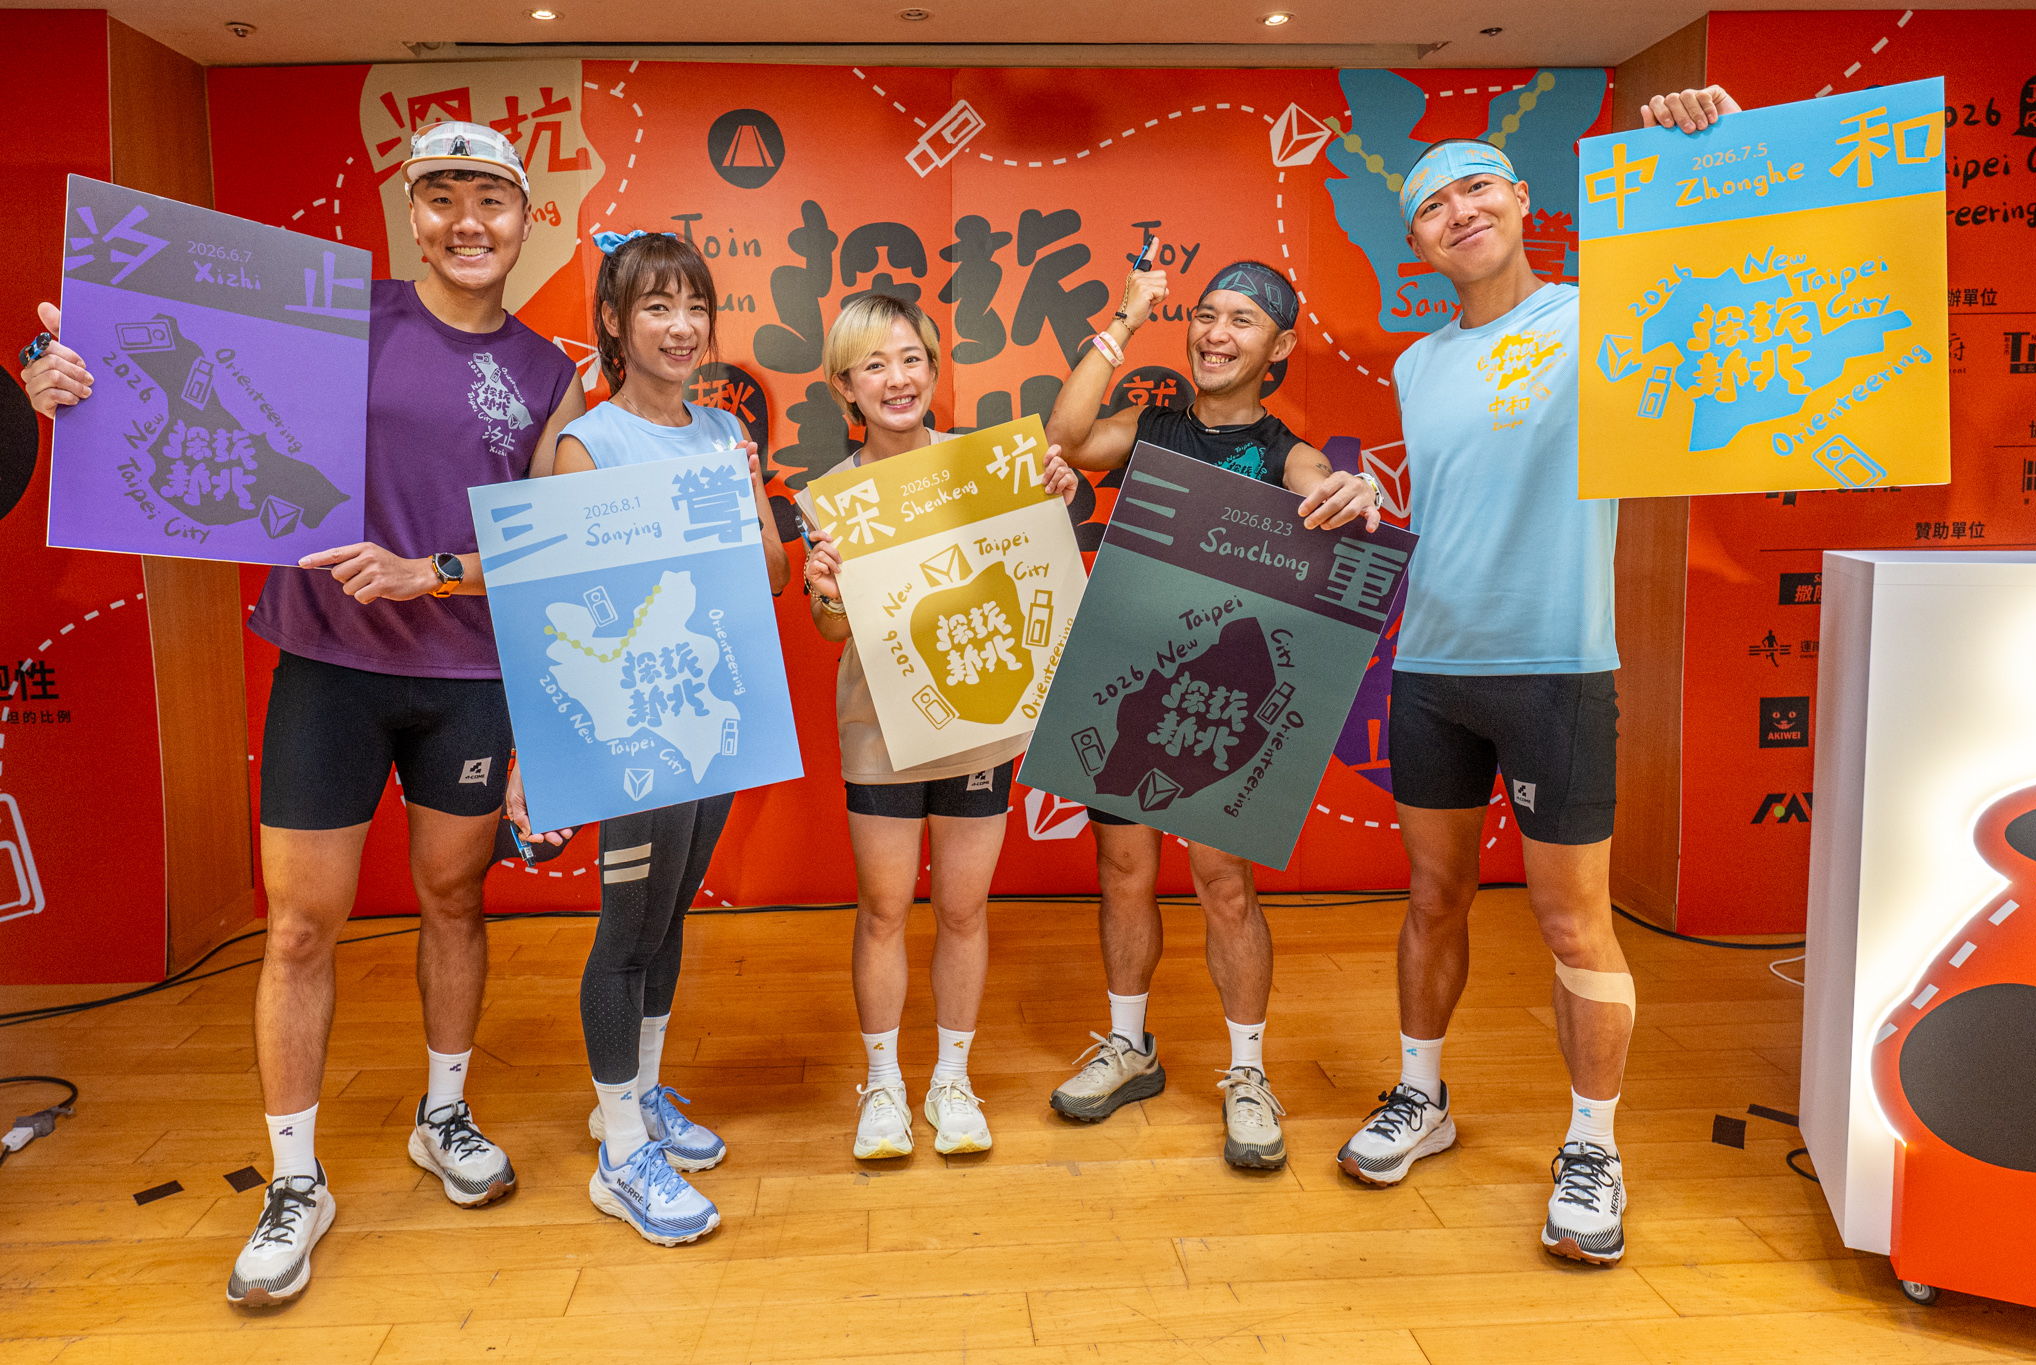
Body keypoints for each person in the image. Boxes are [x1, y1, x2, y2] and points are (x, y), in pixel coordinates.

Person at [21, 121, 583, 1305]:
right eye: (442, 197)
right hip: (327, 665)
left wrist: (439, 585)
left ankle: (443, 1115)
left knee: (453, 899)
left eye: (490, 198)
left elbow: (546, 548)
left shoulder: (547, 373)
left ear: (528, 218)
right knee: (296, 930)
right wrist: (72, 373)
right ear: (410, 214)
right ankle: (293, 1181)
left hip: (469, 679)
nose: (467, 222)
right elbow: (173, 374)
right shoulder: (330, 317)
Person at [1335, 86, 1743, 1266]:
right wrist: (1364, 501)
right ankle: (1422, 1097)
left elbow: (1721, 285)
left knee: (1571, 923)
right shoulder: (1416, 365)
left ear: (1520, 201)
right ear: (1415, 246)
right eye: (1430, 206)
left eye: (1475, 188)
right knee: (1432, 897)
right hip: (1430, 667)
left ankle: (1592, 1146)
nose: (1455, 211)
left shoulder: (1599, 317)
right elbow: (1450, 500)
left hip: (1555, 666)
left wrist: (1705, 153)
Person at [1040, 259, 1383, 1169]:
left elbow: (1329, 483)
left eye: (1242, 320)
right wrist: (1126, 317)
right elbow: (1066, 437)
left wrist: (1357, 490)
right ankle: (1129, 1047)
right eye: (1205, 315)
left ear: (1280, 345)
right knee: (1122, 868)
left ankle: (1247, 1071)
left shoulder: (1284, 452)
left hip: (1222, 700)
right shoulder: (1148, 428)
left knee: (1223, 881)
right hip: (1132, 677)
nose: (1216, 333)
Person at [504, 229, 789, 1246]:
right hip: (632, 722)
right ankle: (620, 1152)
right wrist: (537, 750)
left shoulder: (722, 433)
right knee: (625, 932)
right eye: (657, 307)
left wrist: (746, 491)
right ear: (615, 325)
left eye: (695, 306)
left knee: (667, 922)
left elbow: (769, 576)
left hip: (710, 708)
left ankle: (641, 1098)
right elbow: (557, 606)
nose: (681, 327)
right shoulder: (589, 445)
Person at [798, 292, 1077, 1160]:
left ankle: (952, 1077)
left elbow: (1032, 563)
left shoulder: (987, 468)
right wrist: (824, 589)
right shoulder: (835, 499)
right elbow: (832, 631)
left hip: (979, 721)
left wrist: (1052, 497)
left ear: (932, 368)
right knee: (884, 909)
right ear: (845, 386)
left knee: (963, 908)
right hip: (880, 728)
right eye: (874, 365)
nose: (897, 378)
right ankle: (883, 1082)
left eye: (911, 358)